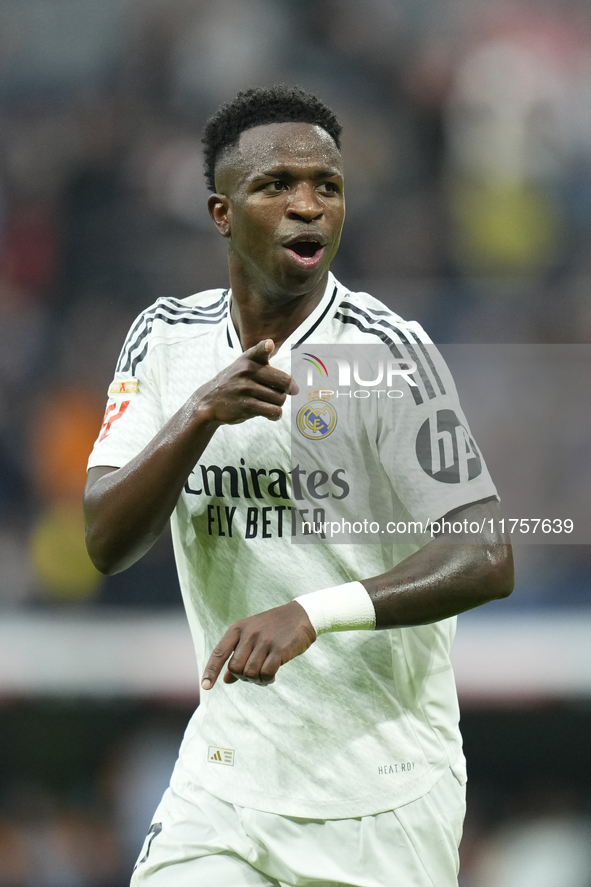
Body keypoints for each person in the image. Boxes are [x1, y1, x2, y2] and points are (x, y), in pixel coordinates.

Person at [84, 85, 513, 887]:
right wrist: (199, 415)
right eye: (276, 185)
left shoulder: (387, 354)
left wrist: (311, 613)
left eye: (327, 186)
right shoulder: (165, 339)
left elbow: (487, 553)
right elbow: (105, 540)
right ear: (221, 212)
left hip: (381, 797)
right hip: (225, 783)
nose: (308, 205)